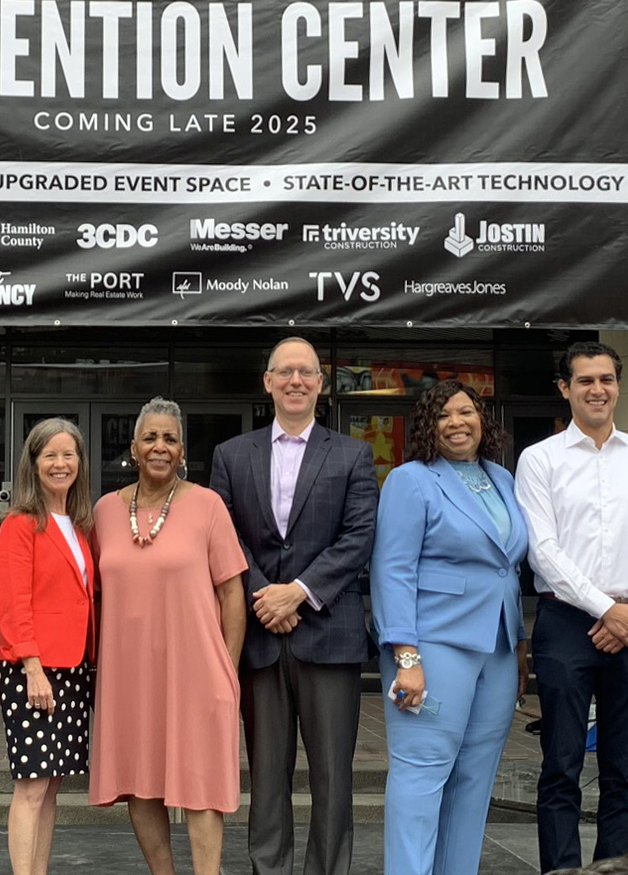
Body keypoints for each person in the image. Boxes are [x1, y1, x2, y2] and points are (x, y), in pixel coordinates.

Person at [209, 338, 378, 875]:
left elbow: (359, 537)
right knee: (266, 774)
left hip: (328, 634)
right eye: (286, 372)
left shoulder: (353, 453)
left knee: (333, 776)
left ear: (321, 385)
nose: (296, 381)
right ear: (268, 381)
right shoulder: (232, 455)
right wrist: (265, 595)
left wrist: (298, 592)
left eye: (307, 372)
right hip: (260, 635)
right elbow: (223, 537)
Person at [514, 341, 628, 874]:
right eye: (585, 380)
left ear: (618, 385)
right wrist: (602, 609)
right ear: (565, 388)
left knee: (623, 769)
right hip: (566, 622)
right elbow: (543, 549)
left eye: (606, 379)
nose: (597, 390)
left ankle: (615, 869)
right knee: (561, 765)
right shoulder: (539, 460)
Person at [372, 379, 530, 875]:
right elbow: (392, 569)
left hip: (499, 650)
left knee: (474, 782)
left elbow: (510, 569)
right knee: (421, 777)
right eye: (444, 415)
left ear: (483, 420)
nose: (457, 422)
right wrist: (407, 656)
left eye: (466, 412)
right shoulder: (410, 480)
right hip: (433, 647)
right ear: (428, 425)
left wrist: (520, 644)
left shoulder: (502, 480)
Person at [92, 398, 247, 875]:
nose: (160, 446)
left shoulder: (207, 505)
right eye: (151, 438)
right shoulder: (103, 511)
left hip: (197, 670)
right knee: (141, 783)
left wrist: (228, 671)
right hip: (127, 675)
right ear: (134, 448)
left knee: (199, 785)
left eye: (170, 439)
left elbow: (232, 593)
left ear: (182, 453)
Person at [0, 417, 97, 875]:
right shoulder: (19, 524)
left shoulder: (80, 524)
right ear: (33, 464)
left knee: (52, 785)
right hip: (34, 669)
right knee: (32, 785)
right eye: (50, 455)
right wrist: (32, 667)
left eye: (68, 454)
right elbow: (14, 604)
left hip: (73, 667)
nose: (60, 463)